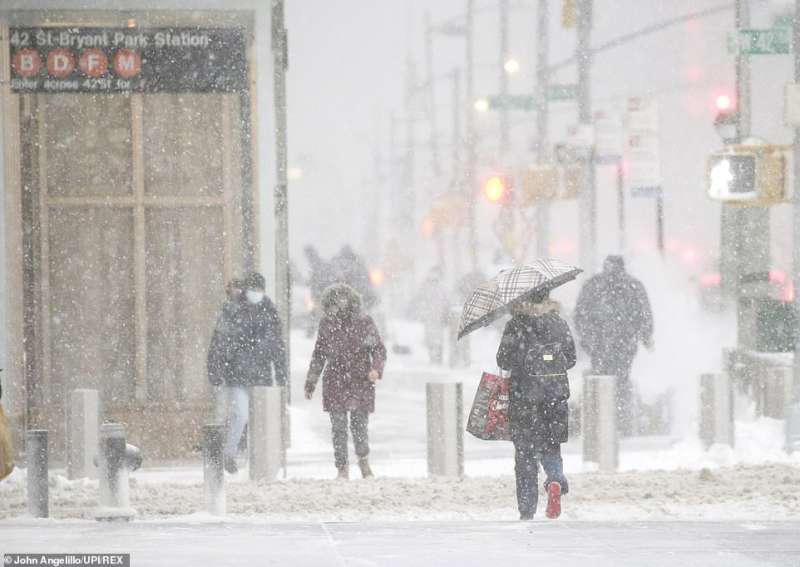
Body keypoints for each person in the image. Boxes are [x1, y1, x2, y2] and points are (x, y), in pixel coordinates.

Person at [497, 294, 576, 521]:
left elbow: (503, 360)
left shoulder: (516, 324)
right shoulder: (558, 322)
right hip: (555, 396)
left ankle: (527, 508)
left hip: (524, 398)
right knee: (551, 445)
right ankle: (554, 479)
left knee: (525, 455)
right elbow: (570, 359)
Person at [207, 272, 288, 473]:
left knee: (259, 419)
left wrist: (281, 373)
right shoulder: (233, 309)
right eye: (253, 289)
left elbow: (277, 345)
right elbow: (220, 341)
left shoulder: (269, 311)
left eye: (260, 289)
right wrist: (216, 370)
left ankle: (258, 459)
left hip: (260, 375)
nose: (256, 293)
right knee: (240, 415)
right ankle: (230, 453)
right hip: (237, 374)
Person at [304, 283, 387, 480]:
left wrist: (376, 368)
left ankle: (363, 460)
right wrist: (311, 382)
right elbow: (319, 355)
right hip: (335, 380)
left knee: (359, 425)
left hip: (360, 379)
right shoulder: (326, 324)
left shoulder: (364, 322)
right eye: (335, 303)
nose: (339, 307)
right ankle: (342, 467)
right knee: (338, 427)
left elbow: (378, 349)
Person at [574, 255, 654, 436]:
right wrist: (645, 336)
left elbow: (580, 314)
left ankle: (602, 420)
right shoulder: (633, 286)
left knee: (602, 377)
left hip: (601, 344)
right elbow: (644, 314)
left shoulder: (593, 285)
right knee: (621, 379)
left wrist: (588, 339)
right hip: (623, 343)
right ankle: (618, 419)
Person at [409, 267, 450, 365]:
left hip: (435, 318)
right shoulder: (433, 288)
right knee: (434, 339)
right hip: (432, 318)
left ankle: (435, 357)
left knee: (435, 339)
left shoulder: (435, 288)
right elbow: (421, 302)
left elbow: (445, 303)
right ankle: (435, 357)